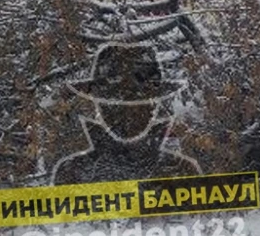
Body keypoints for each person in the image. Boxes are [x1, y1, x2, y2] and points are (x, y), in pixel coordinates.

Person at [51, 43, 202, 185]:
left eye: (139, 106)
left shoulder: (182, 171)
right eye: (116, 107)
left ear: (154, 106)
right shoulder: (72, 172)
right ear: (99, 106)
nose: (128, 117)